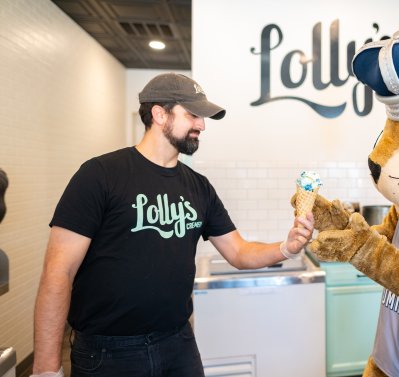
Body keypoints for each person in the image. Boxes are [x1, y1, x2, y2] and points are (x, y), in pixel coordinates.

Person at [31, 73, 315, 377]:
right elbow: (58, 272)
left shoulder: (199, 187)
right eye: (192, 114)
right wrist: (46, 368)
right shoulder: (100, 175)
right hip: (109, 352)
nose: (202, 125)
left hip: (178, 343)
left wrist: (287, 247)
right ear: (159, 114)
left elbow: (239, 251)